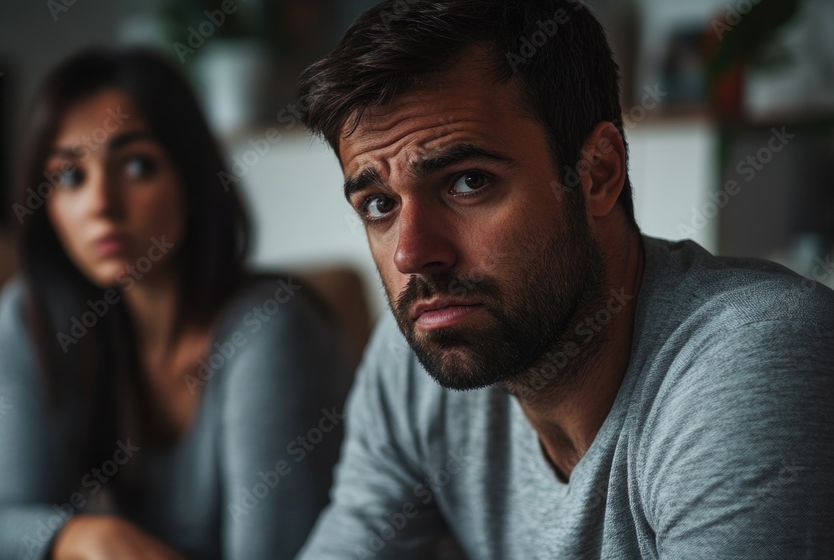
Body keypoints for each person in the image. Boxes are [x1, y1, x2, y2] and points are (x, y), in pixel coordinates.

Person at [293, 1, 834, 558]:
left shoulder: (755, 357)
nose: (411, 254)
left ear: (597, 172)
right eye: (379, 204)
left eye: (468, 182)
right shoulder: (417, 354)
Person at [0, 47, 353, 560]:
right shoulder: (33, 318)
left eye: (137, 165)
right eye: (70, 176)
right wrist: (95, 537)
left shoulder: (270, 329)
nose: (101, 204)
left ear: (191, 178)